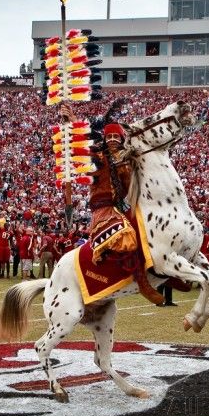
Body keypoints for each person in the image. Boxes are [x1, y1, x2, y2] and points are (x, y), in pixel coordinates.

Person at [59, 100, 163, 305]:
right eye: (110, 136)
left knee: (147, 227)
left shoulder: (127, 160)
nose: (113, 139)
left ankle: (163, 271)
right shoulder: (97, 155)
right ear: (104, 139)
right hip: (103, 209)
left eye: (117, 136)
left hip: (122, 207)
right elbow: (82, 143)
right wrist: (71, 122)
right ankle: (141, 283)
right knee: (125, 235)